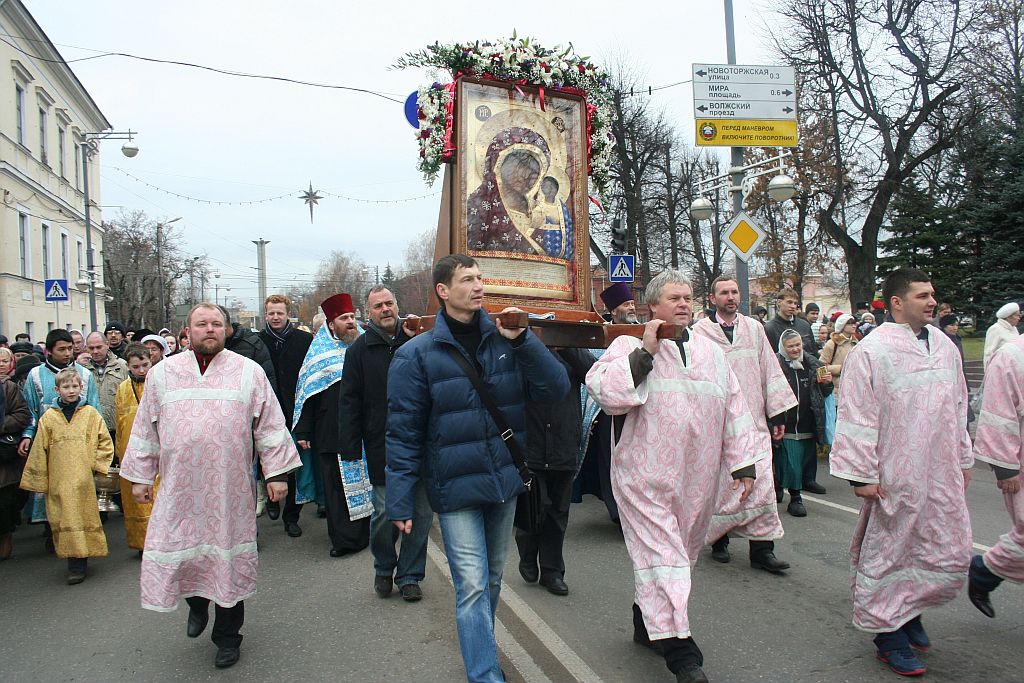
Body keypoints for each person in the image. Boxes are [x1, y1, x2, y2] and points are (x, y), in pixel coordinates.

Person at [387, 254, 569, 683]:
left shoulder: (507, 339)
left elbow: (556, 388)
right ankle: (485, 674)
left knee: (490, 579)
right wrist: (399, 500)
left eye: (480, 278)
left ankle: (479, 651)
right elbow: (403, 433)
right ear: (443, 291)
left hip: (503, 482)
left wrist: (524, 340)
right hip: (454, 490)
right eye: (468, 279)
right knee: (471, 585)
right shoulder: (416, 355)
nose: (479, 286)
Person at [586, 269, 759, 683]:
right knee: (664, 558)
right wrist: (644, 353)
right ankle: (683, 654)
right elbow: (605, 392)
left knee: (680, 555)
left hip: (696, 479)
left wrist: (744, 463)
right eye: (674, 298)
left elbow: (735, 407)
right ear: (653, 307)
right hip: (643, 476)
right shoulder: (629, 343)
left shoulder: (711, 352)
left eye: (688, 297)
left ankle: (646, 622)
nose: (684, 304)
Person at [120, 303, 301, 670]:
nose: (209, 329)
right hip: (180, 488)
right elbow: (144, 428)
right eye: (201, 324)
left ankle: (228, 637)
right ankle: (197, 605)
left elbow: (268, 426)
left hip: (229, 489)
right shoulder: (163, 374)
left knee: (228, 562)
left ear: (226, 330)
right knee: (183, 552)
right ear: (187, 331)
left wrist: (277, 474)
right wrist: (140, 476)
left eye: (217, 324)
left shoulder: (247, 372)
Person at [829, 267, 973, 677]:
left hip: (939, 469)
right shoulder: (871, 351)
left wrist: (962, 458)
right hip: (894, 473)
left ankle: (908, 612)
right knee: (889, 552)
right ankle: (887, 635)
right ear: (896, 302)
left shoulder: (944, 346)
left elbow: (959, 407)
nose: (932, 301)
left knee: (936, 545)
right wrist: (862, 474)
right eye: (922, 295)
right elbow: (857, 415)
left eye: (932, 294)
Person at [693, 276, 797, 573]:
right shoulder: (700, 332)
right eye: (724, 293)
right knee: (724, 485)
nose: (730, 297)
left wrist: (777, 414)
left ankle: (763, 550)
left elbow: (769, 369)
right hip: (719, 425)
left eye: (734, 292)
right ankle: (720, 539)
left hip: (754, 422)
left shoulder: (753, 328)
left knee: (763, 484)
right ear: (713, 298)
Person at [339, 286, 429, 601]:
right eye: (378, 306)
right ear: (369, 312)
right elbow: (349, 401)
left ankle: (409, 576)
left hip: (422, 442)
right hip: (382, 444)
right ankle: (383, 566)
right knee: (384, 513)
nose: (385, 309)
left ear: (397, 305)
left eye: (389, 303)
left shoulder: (417, 340)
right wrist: (349, 446)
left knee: (420, 514)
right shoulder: (360, 350)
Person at [294, 293, 371, 557]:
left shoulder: (364, 346)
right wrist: (303, 430)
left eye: (352, 317)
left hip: (364, 429)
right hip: (331, 430)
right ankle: (344, 540)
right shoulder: (319, 354)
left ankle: (368, 532)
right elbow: (307, 393)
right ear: (330, 323)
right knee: (337, 488)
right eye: (344, 318)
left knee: (367, 482)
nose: (350, 322)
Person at [20, 368, 113, 583]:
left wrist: (95, 465)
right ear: (57, 389)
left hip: (83, 478)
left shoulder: (91, 414)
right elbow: (39, 449)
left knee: (84, 515)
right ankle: (74, 561)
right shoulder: (49, 418)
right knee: (64, 517)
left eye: (74, 386)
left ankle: (81, 560)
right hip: (59, 479)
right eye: (66, 387)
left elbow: (105, 442)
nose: (70, 391)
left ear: (82, 388)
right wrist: (39, 479)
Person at [516, 347, 595, 595]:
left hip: (564, 443)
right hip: (532, 443)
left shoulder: (571, 350)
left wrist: (567, 345)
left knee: (558, 513)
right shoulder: (523, 347)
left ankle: (552, 572)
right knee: (535, 509)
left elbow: (593, 373)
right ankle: (528, 553)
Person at [969, 335, 1024, 618]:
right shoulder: (1013, 355)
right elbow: (997, 413)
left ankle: (984, 572)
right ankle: (983, 572)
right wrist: (1006, 468)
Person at [575, 282, 638, 525]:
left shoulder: (643, 332)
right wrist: (588, 415)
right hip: (606, 414)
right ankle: (617, 511)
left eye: (632, 303)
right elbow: (591, 377)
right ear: (613, 310)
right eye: (626, 305)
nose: (631, 307)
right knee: (611, 461)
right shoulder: (600, 335)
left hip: (636, 408)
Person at [258, 294, 318, 536]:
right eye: (271, 313)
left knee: (294, 466)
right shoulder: (258, 341)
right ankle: (272, 499)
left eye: (279, 313)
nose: (275, 317)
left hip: (296, 411)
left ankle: (291, 517)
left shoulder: (303, 340)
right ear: (266, 314)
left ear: (287, 315)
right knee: (268, 461)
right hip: (266, 412)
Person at [775, 330, 833, 517]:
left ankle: (796, 484)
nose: (795, 349)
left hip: (809, 420)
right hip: (786, 422)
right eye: (790, 346)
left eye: (797, 345)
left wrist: (826, 383)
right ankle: (795, 497)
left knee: (806, 459)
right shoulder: (775, 364)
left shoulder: (813, 363)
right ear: (783, 347)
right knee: (791, 460)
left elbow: (826, 391)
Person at [114, 344, 155, 553]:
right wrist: (119, 451)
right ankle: (142, 543)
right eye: (136, 366)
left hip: (157, 449)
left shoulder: (158, 383)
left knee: (156, 495)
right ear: (128, 366)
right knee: (135, 499)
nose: (141, 370)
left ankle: (158, 542)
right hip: (130, 448)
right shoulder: (122, 389)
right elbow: (120, 420)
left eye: (145, 365)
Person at [0, 367, 30, 559]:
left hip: (4, 460)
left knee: (5, 504)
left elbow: (22, 415)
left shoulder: (7, 388)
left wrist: (1, 424)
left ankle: (5, 536)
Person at [80, 332, 129, 446]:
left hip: (117, 429)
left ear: (107, 345)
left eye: (99, 347)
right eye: (91, 348)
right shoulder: (81, 370)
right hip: (91, 429)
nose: (95, 351)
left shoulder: (122, 366)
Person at [764, 288, 818, 355]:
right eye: (789, 302)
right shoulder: (769, 328)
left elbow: (813, 351)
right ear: (779, 302)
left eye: (795, 303)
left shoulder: (804, 325)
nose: (793, 306)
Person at [984, 302, 1021, 369]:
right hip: (1001, 370)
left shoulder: (1014, 329)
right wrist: (988, 374)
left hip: (1015, 369)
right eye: (1017, 315)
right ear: (1009, 317)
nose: (1019, 318)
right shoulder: (995, 329)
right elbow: (988, 354)